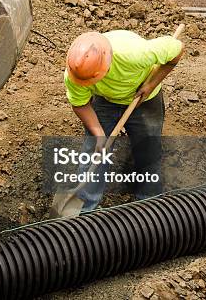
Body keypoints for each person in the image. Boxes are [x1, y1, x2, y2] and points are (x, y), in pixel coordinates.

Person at [64, 30, 184, 211]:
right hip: (106, 100)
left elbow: (177, 50)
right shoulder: (77, 73)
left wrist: (151, 85)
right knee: (94, 153)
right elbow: (80, 104)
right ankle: (83, 209)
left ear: (104, 69)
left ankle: (149, 202)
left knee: (148, 149)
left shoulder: (136, 54)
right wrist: (99, 135)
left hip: (144, 99)